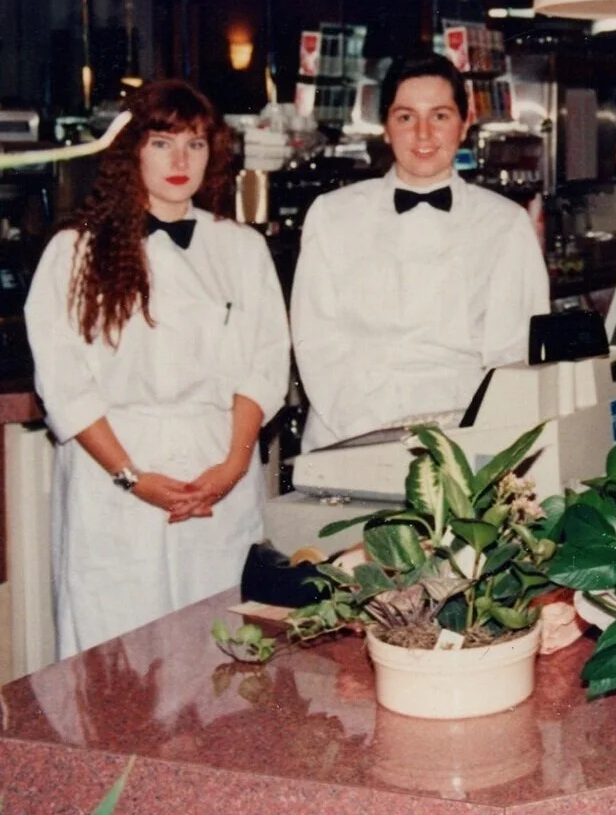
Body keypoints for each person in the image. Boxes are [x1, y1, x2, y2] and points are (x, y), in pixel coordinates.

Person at [24, 81, 290, 657]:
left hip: (217, 469)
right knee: (113, 653)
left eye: (195, 145)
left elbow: (265, 366)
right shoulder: (75, 251)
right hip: (113, 478)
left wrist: (232, 466)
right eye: (162, 143)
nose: (179, 161)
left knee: (222, 647)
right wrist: (132, 478)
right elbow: (65, 385)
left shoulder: (240, 248)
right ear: (132, 152)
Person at [291, 52, 549, 451]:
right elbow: (316, 341)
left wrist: (466, 441)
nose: (423, 134)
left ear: (464, 124)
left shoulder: (506, 224)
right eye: (406, 117)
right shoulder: (332, 214)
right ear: (386, 128)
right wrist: (369, 433)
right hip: (346, 432)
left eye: (440, 116)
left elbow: (513, 354)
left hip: (463, 435)